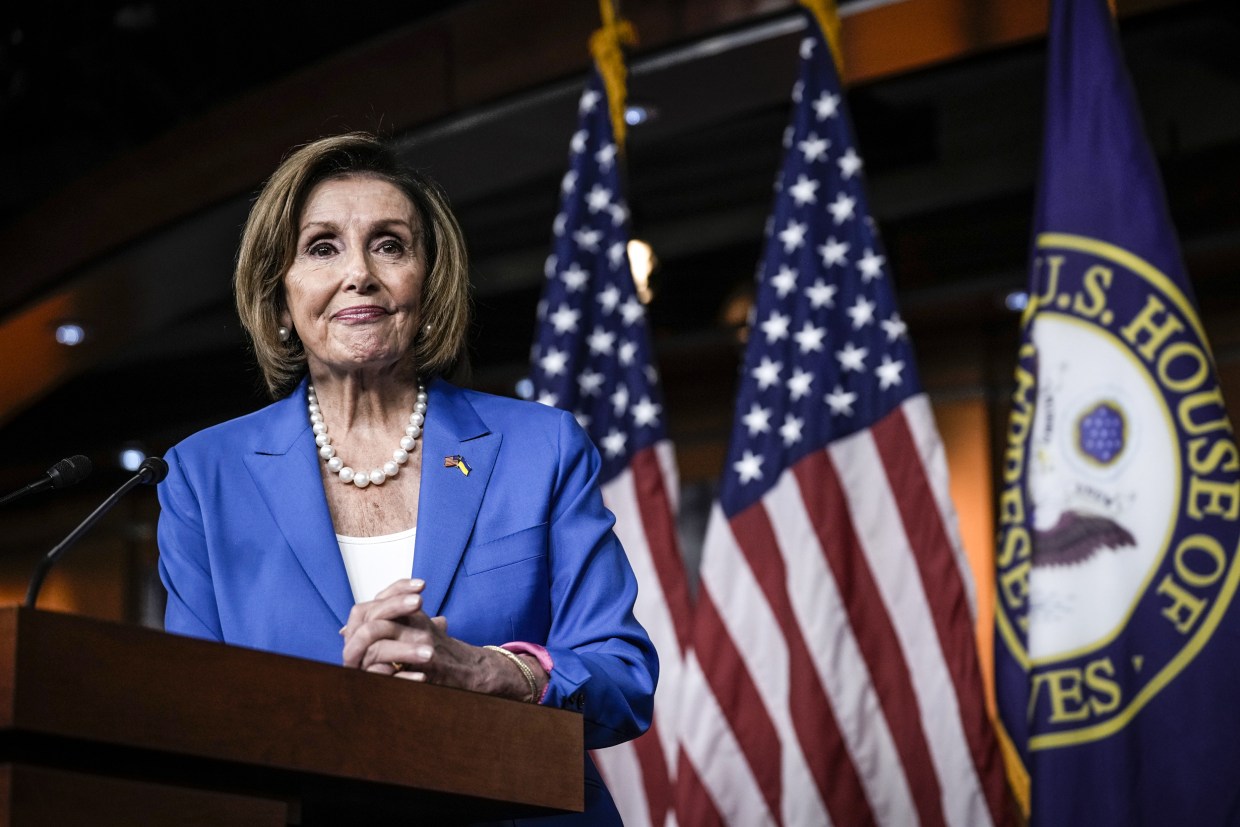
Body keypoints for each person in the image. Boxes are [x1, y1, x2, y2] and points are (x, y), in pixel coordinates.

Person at [156, 132, 657, 824]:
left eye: (390, 244)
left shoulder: (541, 447)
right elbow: (191, 720)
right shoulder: (200, 477)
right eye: (322, 247)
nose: (359, 272)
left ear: (429, 279)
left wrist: (494, 671)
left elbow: (623, 677)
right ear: (280, 292)